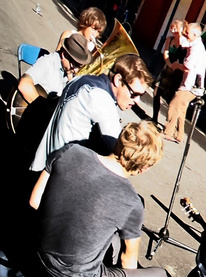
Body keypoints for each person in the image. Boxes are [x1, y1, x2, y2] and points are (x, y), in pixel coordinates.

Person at [35, 122, 171, 277]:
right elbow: (128, 263)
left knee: (107, 237)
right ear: (143, 168)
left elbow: (34, 201)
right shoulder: (131, 202)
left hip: (38, 252)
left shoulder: (71, 151)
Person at [28, 54, 154, 206]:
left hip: (41, 166)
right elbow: (121, 150)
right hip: (55, 184)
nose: (136, 101)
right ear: (118, 80)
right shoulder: (101, 100)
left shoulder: (82, 80)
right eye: (134, 94)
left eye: (141, 96)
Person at [16, 33, 92, 106]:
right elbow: (24, 84)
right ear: (64, 55)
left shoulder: (68, 71)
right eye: (74, 65)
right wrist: (42, 108)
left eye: (79, 66)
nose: (75, 70)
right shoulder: (48, 62)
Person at [163, 23, 206, 143]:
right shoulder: (195, 42)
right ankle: (179, 135)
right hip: (192, 85)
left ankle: (168, 132)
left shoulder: (196, 49)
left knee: (174, 105)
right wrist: (178, 32)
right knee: (181, 110)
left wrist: (177, 65)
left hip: (190, 86)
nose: (185, 34)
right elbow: (182, 43)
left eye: (187, 32)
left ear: (194, 34)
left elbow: (187, 67)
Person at [153, 20, 186, 125]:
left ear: (181, 29)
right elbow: (166, 52)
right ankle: (154, 118)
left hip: (177, 72)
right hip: (167, 68)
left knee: (170, 98)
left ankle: (169, 124)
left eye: (175, 27)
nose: (172, 29)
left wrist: (176, 66)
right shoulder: (169, 39)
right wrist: (168, 63)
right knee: (157, 93)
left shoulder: (184, 42)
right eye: (172, 27)